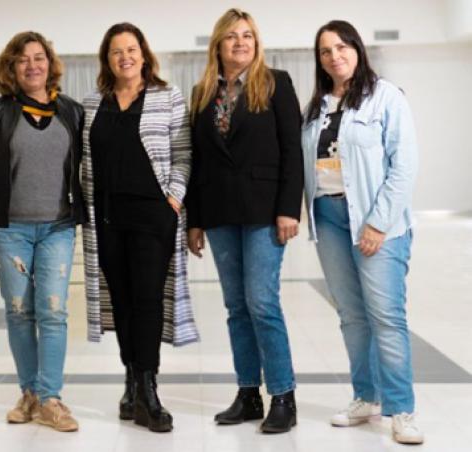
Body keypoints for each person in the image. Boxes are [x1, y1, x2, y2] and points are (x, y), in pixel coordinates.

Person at [302, 20, 422, 445]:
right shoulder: (316, 107)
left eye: (341, 47)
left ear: (357, 49)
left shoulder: (386, 97)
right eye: (325, 51)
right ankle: (366, 397)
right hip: (328, 218)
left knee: (386, 316)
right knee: (352, 316)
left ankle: (401, 409)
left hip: (375, 221)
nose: (334, 56)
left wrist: (377, 223)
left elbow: (404, 166)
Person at [185, 8, 303, 434]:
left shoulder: (276, 83)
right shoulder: (202, 92)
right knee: (236, 306)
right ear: (218, 44)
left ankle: (283, 396)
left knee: (262, 302)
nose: (240, 42)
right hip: (219, 213)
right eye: (232, 36)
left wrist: (288, 208)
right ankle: (249, 393)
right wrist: (195, 220)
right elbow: (198, 160)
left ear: (257, 43)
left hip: (263, 211)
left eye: (248, 35)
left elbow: (292, 150)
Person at [81, 22, 196, 433]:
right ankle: (131, 379)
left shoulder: (168, 97)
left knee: (147, 300)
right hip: (107, 219)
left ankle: (148, 389)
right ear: (107, 60)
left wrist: (173, 200)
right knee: (122, 301)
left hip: (153, 216)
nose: (124, 57)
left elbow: (184, 154)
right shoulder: (93, 104)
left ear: (144, 54)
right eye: (116, 51)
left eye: (131, 49)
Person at [0, 31, 85, 432]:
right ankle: (30, 393)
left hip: (58, 228)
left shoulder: (71, 111)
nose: (32, 65)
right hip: (9, 230)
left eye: (39, 57)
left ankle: (50, 398)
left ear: (50, 64)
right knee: (19, 312)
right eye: (23, 59)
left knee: (53, 311)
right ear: (11, 68)